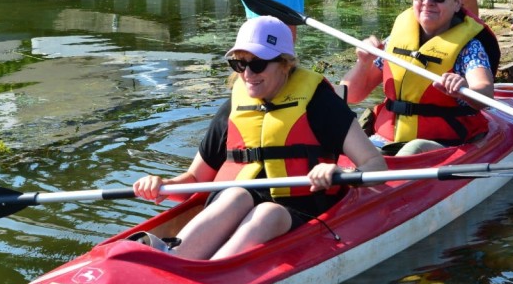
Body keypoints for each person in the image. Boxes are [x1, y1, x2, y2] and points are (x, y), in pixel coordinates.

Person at [132, 16, 386, 259]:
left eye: (258, 64)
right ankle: (175, 259)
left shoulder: (320, 103)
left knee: (267, 212)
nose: (247, 74)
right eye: (239, 64)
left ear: (285, 63)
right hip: (237, 207)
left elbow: (375, 165)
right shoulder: (234, 106)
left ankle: (214, 275)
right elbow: (196, 180)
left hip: (301, 212)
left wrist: (335, 173)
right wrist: (162, 185)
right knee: (235, 195)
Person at [340, 0, 500, 155]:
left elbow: (486, 93)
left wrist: (463, 88)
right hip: (384, 140)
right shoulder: (394, 42)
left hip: (440, 143)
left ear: (458, 2)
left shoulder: (469, 48)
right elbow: (351, 96)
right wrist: (363, 63)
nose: (428, 2)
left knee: (413, 149)